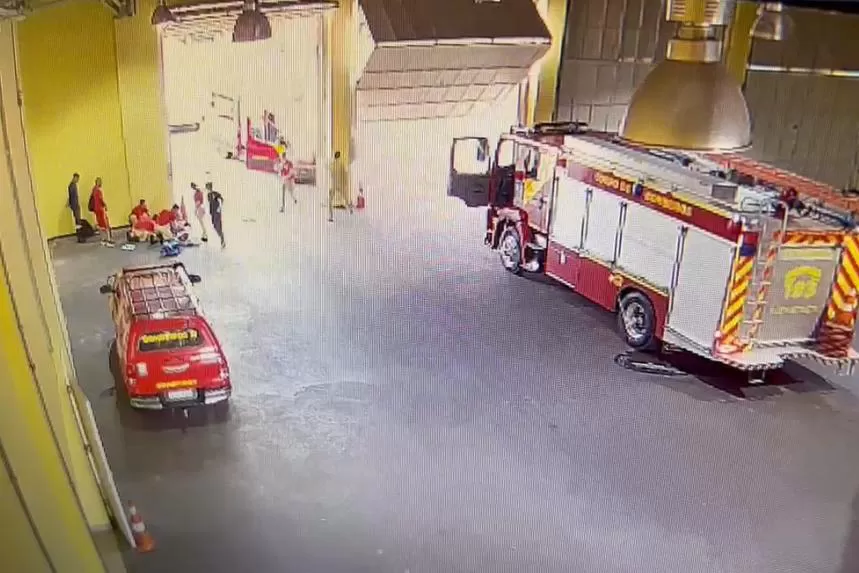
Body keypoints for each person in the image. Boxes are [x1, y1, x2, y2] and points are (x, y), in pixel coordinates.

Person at [88, 177, 113, 247]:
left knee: (100, 225)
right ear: (98, 182)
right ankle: (108, 240)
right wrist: (105, 205)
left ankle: (103, 239)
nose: (101, 183)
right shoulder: (99, 191)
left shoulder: (93, 190)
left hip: (96, 210)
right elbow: (101, 199)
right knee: (106, 225)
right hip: (100, 209)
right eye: (100, 182)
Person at [276, 138, 297, 212]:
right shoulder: (280, 150)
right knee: (284, 190)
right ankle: (283, 206)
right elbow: (279, 159)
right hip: (284, 175)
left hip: (288, 175)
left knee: (289, 190)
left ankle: (294, 199)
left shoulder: (286, 152)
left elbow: (288, 162)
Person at [206, 182, 225, 248]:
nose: (207, 188)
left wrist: (219, 208)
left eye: (208, 187)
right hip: (213, 213)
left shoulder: (215, 193)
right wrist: (210, 212)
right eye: (207, 187)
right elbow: (210, 203)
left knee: (218, 226)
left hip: (217, 212)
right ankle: (222, 238)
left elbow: (222, 199)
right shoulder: (208, 195)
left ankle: (222, 240)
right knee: (215, 226)